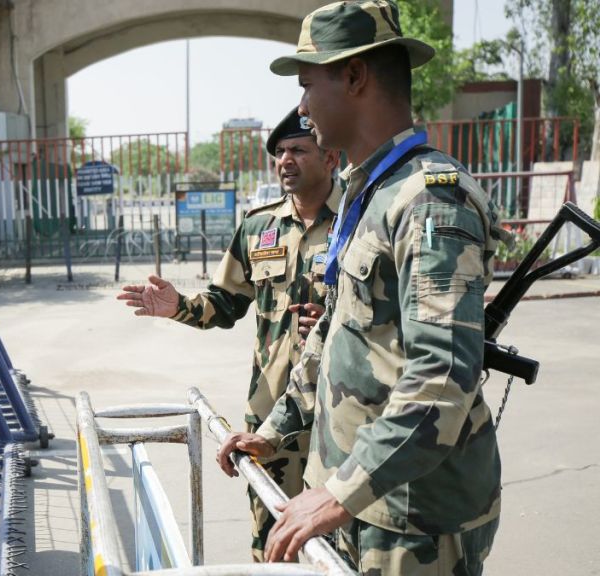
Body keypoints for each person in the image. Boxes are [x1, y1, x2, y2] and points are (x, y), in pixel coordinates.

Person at [216, 2, 510, 574]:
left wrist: (337, 494)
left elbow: (441, 378)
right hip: (361, 501)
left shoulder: (429, 198)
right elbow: (335, 328)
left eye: (308, 86)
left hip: (414, 518)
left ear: (354, 76)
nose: (301, 107)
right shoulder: (368, 191)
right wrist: (274, 433)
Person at [117, 108, 341, 561]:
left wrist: (334, 322)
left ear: (331, 157)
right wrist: (177, 306)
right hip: (271, 421)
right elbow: (224, 305)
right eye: (279, 152)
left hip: (338, 419)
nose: (285, 161)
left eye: (298, 150)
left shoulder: (357, 222)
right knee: (274, 548)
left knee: (339, 553)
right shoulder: (260, 227)